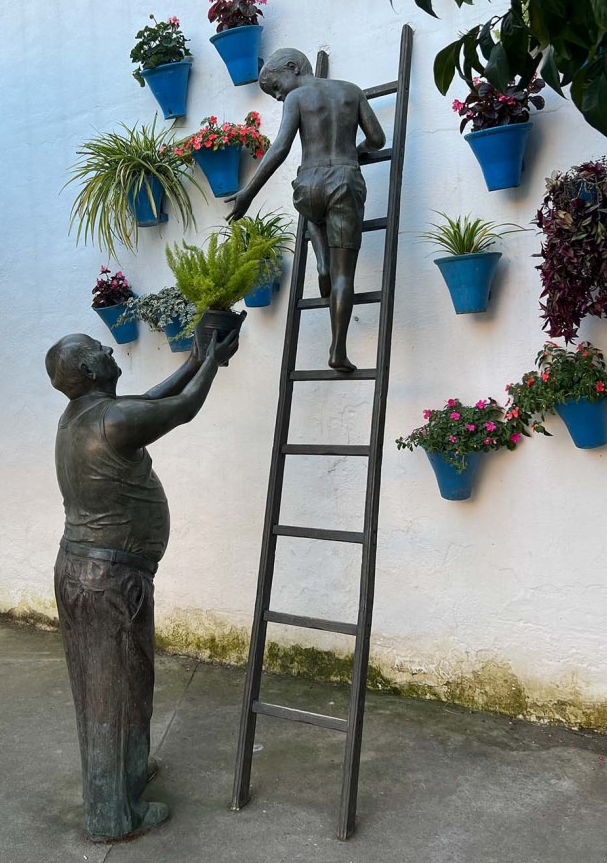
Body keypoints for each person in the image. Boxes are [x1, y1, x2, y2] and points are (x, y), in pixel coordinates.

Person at [45, 329, 238, 842]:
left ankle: (125, 774)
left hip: (87, 572)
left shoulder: (82, 415)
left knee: (117, 686)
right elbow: (182, 408)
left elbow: (148, 402)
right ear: (89, 370)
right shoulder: (112, 419)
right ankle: (112, 815)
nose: (110, 350)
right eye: (99, 350)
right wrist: (211, 362)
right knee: (113, 692)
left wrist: (195, 359)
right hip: (107, 580)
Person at [225, 48, 385, 372]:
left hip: (310, 183)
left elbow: (280, 148)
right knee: (345, 276)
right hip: (346, 179)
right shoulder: (352, 92)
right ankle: (338, 350)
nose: (278, 96)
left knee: (312, 211)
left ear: (293, 67)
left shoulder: (296, 98)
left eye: (276, 87)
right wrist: (355, 152)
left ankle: (322, 263)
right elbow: (378, 139)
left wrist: (248, 193)